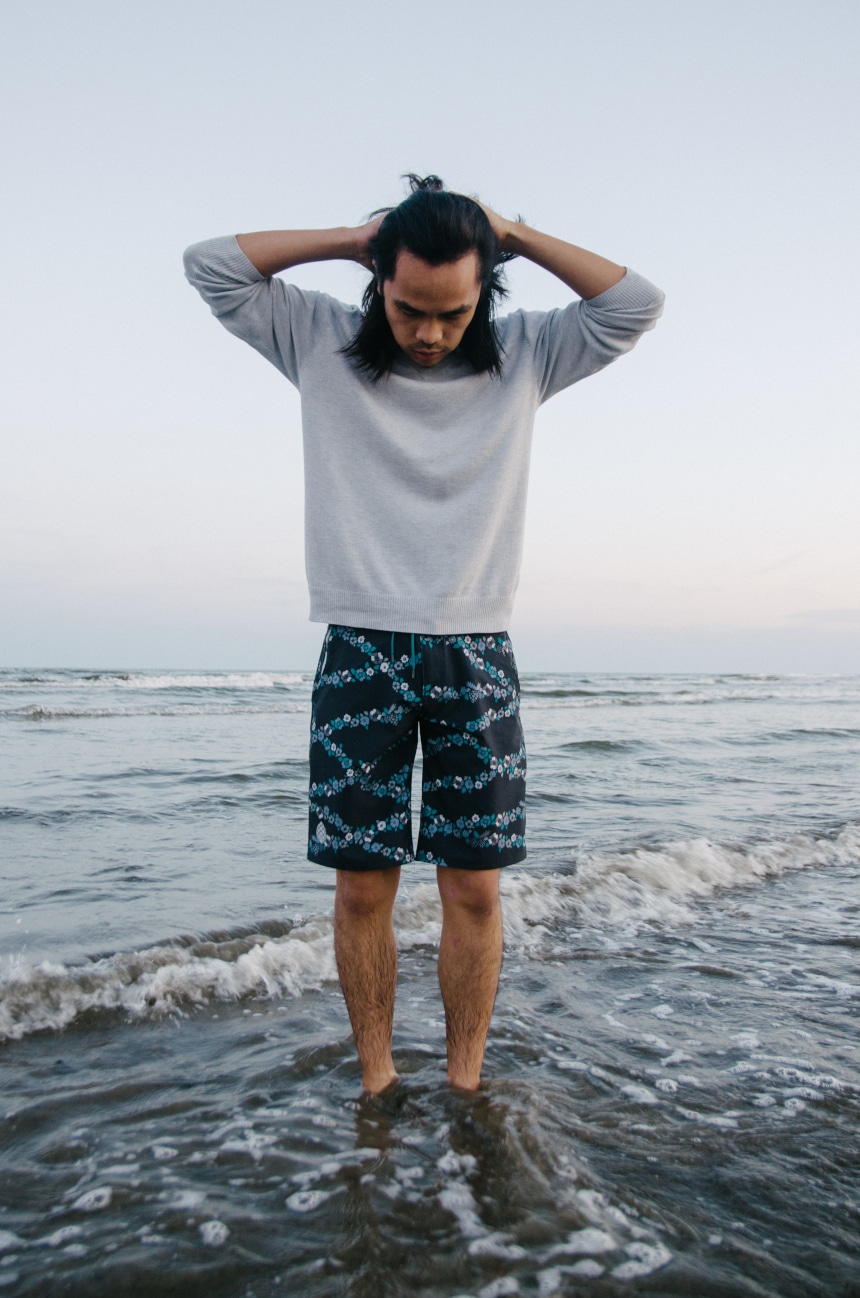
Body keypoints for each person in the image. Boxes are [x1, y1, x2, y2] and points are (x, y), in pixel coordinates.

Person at [184, 175, 664, 1094]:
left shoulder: (525, 354)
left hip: (477, 652)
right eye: (411, 309)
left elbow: (634, 303)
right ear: (380, 283)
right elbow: (211, 268)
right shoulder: (319, 341)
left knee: (474, 889)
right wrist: (349, 237)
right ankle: (376, 1084)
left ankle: (465, 1085)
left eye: (454, 310)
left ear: (486, 288)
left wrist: (514, 230)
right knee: (363, 886)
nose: (433, 332)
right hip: (360, 646)